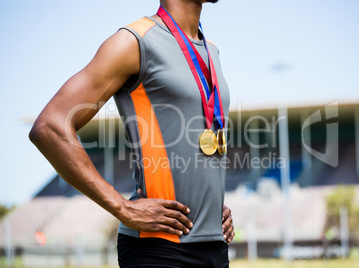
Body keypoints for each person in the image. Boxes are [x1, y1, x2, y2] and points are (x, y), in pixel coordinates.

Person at [29, 0, 234, 267]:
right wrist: (122, 208)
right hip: (158, 250)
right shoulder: (134, 41)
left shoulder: (212, 51)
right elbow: (50, 126)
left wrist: (213, 206)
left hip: (215, 247)